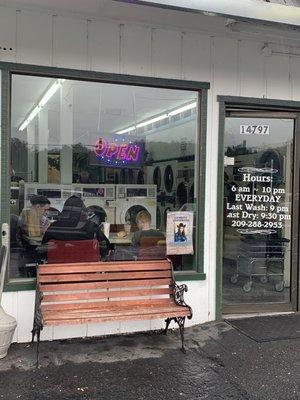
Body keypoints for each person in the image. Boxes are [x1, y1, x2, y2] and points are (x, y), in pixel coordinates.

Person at [42, 195, 111, 259]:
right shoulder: (91, 227)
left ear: (64, 211)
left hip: (57, 269)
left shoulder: (54, 227)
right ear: (81, 211)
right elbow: (106, 246)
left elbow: (43, 249)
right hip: (87, 268)